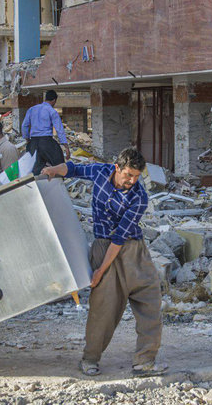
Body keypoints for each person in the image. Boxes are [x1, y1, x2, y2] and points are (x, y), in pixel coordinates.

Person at [41, 148, 167, 378]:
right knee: (103, 308)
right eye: (128, 174)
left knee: (150, 301)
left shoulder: (139, 196)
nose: (132, 181)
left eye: (137, 176)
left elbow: (120, 237)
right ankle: (90, 359)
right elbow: (75, 168)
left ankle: (145, 361)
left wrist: (100, 271)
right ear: (117, 168)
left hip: (132, 250)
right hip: (102, 247)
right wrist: (54, 170)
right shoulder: (101, 172)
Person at [21, 90, 70, 175]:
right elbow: (59, 130)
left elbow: (24, 126)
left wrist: (27, 139)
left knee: (34, 170)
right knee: (59, 165)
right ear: (54, 100)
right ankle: (60, 182)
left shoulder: (32, 109)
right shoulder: (52, 111)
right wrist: (66, 146)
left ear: (45, 98)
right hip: (46, 141)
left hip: (33, 142)